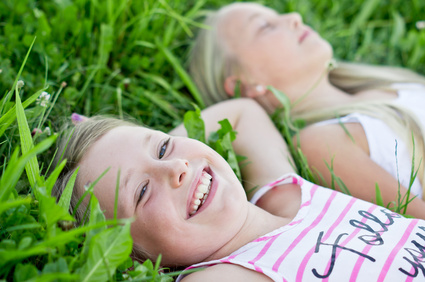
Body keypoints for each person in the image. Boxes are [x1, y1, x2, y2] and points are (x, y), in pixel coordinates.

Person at [52, 99, 425, 281]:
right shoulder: (223, 275)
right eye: (143, 191)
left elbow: (244, 113)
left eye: (164, 147)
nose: (177, 168)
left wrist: (133, 149)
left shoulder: (285, 194)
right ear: (132, 254)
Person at [189, 2, 425, 218]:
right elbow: (417, 223)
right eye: (265, 26)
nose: (294, 17)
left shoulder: (390, 84)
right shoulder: (321, 142)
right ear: (244, 83)